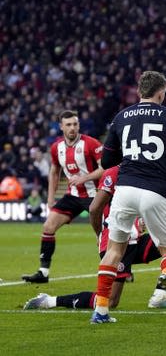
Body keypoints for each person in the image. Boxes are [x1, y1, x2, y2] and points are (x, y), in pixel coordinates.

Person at [90, 70, 166, 324]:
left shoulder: (121, 117)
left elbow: (107, 160)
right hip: (156, 189)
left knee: (114, 250)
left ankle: (100, 311)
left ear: (139, 91)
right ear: (162, 92)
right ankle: (162, 288)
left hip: (124, 190)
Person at [23, 166, 166, 311]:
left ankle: (158, 296)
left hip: (135, 240)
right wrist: (100, 233)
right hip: (116, 239)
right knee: (110, 301)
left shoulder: (146, 172)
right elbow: (95, 209)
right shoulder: (115, 172)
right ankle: (49, 301)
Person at [22, 110, 104, 283]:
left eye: (75, 124)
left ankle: (121, 270)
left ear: (79, 125)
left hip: (95, 195)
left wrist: (84, 178)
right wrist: (51, 198)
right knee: (48, 226)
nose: (72, 128)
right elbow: (54, 171)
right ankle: (43, 272)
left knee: (104, 236)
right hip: (73, 196)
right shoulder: (56, 148)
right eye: (68, 125)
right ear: (61, 127)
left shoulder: (91, 144)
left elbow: (104, 168)